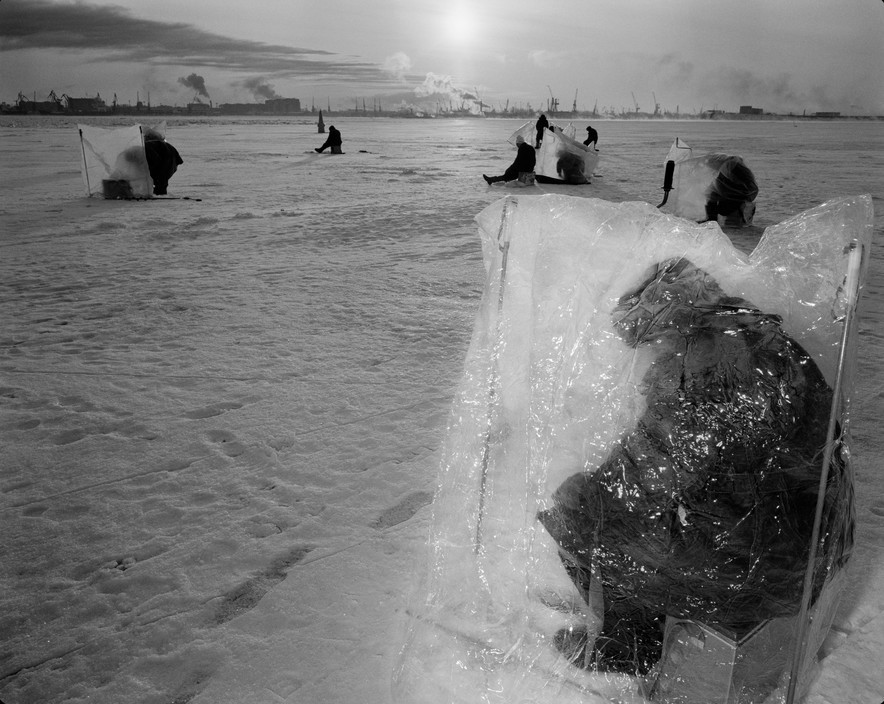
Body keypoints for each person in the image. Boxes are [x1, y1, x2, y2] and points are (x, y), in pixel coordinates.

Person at [143, 129, 184, 196]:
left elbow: (155, 159)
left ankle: (159, 192)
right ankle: (160, 192)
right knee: (161, 182)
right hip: (168, 164)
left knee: (160, 180)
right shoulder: (166, 145)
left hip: (163, 164)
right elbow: (179, 161)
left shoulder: (147, 146)